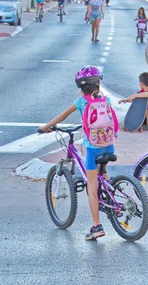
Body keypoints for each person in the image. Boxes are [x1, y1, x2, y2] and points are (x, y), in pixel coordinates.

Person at [38, 66, 116, 240]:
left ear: (81, 87)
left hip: (93, 148)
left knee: (92, 185)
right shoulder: (106, 99)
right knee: (103, 171)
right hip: (109, 145)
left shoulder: (81, 102)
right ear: (98, 84)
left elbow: (62, 116)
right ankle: (113, 199)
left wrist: (45, 127)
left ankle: (97, 226)